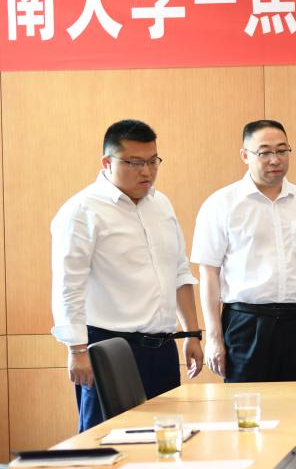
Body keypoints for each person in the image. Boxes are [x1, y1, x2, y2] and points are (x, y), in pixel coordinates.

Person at [51, 119, 203, 432]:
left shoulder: (161, 204)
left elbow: (179, 272)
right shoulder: (82, 210)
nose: (146, 171)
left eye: (152, 161)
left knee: (166, 439)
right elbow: (68, 285)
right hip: (108, 349)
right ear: (107, 162)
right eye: (134, 163)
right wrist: (77, 350)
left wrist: (192, 333)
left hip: (161, 347)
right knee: (106, 440)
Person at [191, 120, 296, 382]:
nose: (275, 159)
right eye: (265, 152)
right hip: (246, 324)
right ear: (245, 155)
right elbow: (209, 272)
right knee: (247, 402)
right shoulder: (222, 204)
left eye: (282, 150)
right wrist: (213, 337)